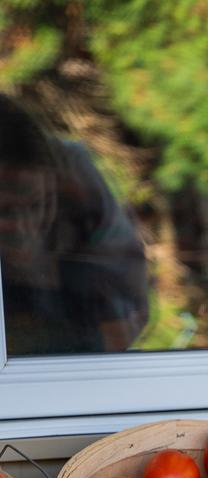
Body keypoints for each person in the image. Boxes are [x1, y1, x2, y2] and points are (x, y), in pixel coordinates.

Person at [0, 92, 149, 356]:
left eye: (36, 205)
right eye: (5, 211)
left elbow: (130, 314)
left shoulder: (72, 172)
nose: (24, 228)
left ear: (54, 183)